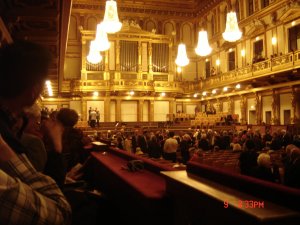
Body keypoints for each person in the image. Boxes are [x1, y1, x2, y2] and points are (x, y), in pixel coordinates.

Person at [0, 40, 71, 224]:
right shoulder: (7, 137)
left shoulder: (11, 125)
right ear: (33, 92)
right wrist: (56, 143)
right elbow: (59, 211)